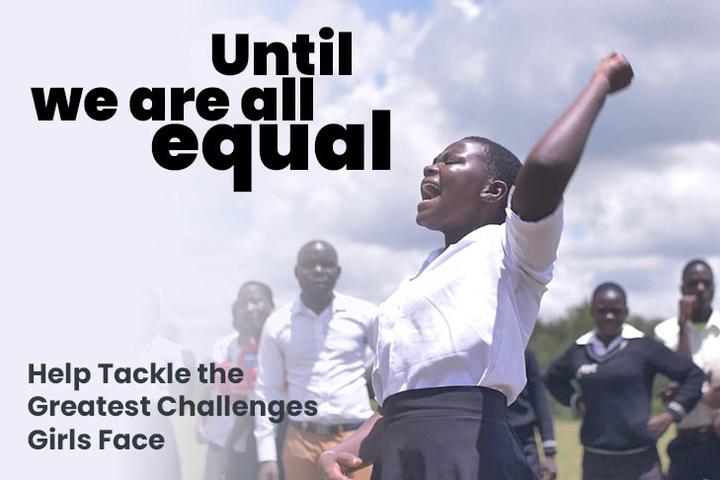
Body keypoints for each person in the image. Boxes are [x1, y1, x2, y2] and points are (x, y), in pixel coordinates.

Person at [318, 52, 634, 480]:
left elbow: (542, 170)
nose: (431, 166)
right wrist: (350, 446)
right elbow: (407, 401)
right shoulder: (416, 281)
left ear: (494, 190)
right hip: (402, 461)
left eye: (450, 160)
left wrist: (600, 84)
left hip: (471, 456)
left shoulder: (512, 251)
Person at [545, 282, 704, 480]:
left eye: (616, 311)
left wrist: (671, 415)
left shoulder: (642, 347)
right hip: (596, 463)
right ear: (592, 311)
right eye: (602, 311)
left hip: (641, 463)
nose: (609, 317)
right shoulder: (580, 350)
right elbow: (552, 379)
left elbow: (693, 375)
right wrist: (576, 401)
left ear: (626, 312)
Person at [255, 240, 376, 480]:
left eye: (326, 264)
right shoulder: (277, 324)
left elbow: (387, 368)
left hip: (354, 439)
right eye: (310, 264)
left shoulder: (365, 314)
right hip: (300, 439)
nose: (318, 270)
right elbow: (268, 391)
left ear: (338, 272)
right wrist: (266, 455)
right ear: (296, 272)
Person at [199, 282, 274, 480]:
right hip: (220, 438)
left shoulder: (265, 347)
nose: (248, 312)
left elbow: (247, 409)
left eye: (255, 302)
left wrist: (228, 448)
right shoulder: (228, 346)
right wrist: (201, 421)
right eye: (242, 308)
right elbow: (211, 386)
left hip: (243, 445)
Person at [654, 259, 720, 480]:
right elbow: (680, 376)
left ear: (713, 288)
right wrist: (683, 326)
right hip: (685, 441)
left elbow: (682, 391)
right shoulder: (665, 333)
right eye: (693, 284)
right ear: (683, 290)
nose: (700, 289)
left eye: (706, 283)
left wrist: (689, 394)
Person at [508, 350, 558, 480]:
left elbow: (540, 400)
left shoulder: (524, 354)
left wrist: (549, 453)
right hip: (486, 436)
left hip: (523, 438)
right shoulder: (480, 352)